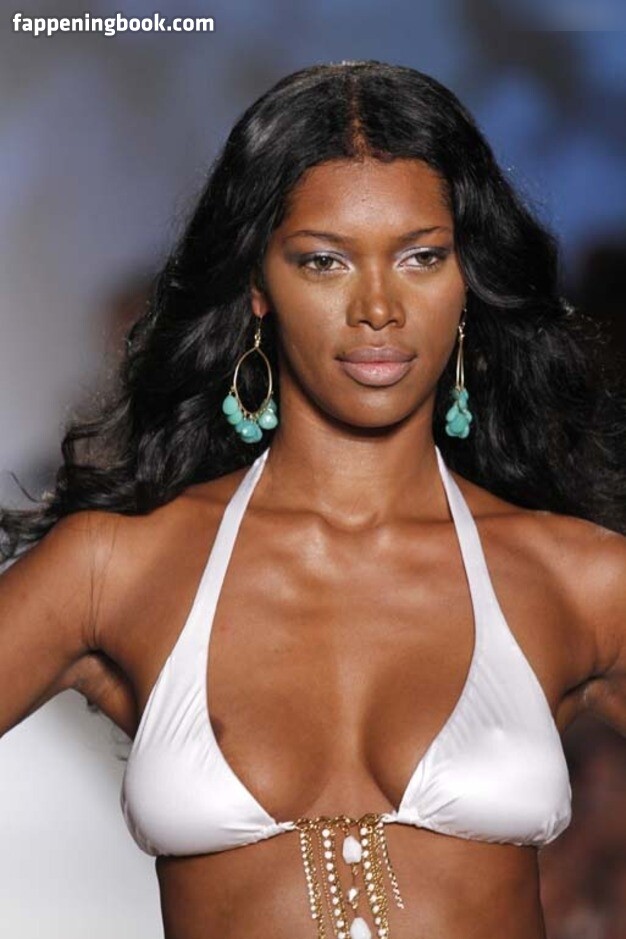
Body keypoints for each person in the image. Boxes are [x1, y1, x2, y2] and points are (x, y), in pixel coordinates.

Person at [1, 59, 625, 939]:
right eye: (325, 261)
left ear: (466, 281)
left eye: (421, 256)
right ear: (259, 284)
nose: (378, 307)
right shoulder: (117, 568)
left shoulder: (578, 579)